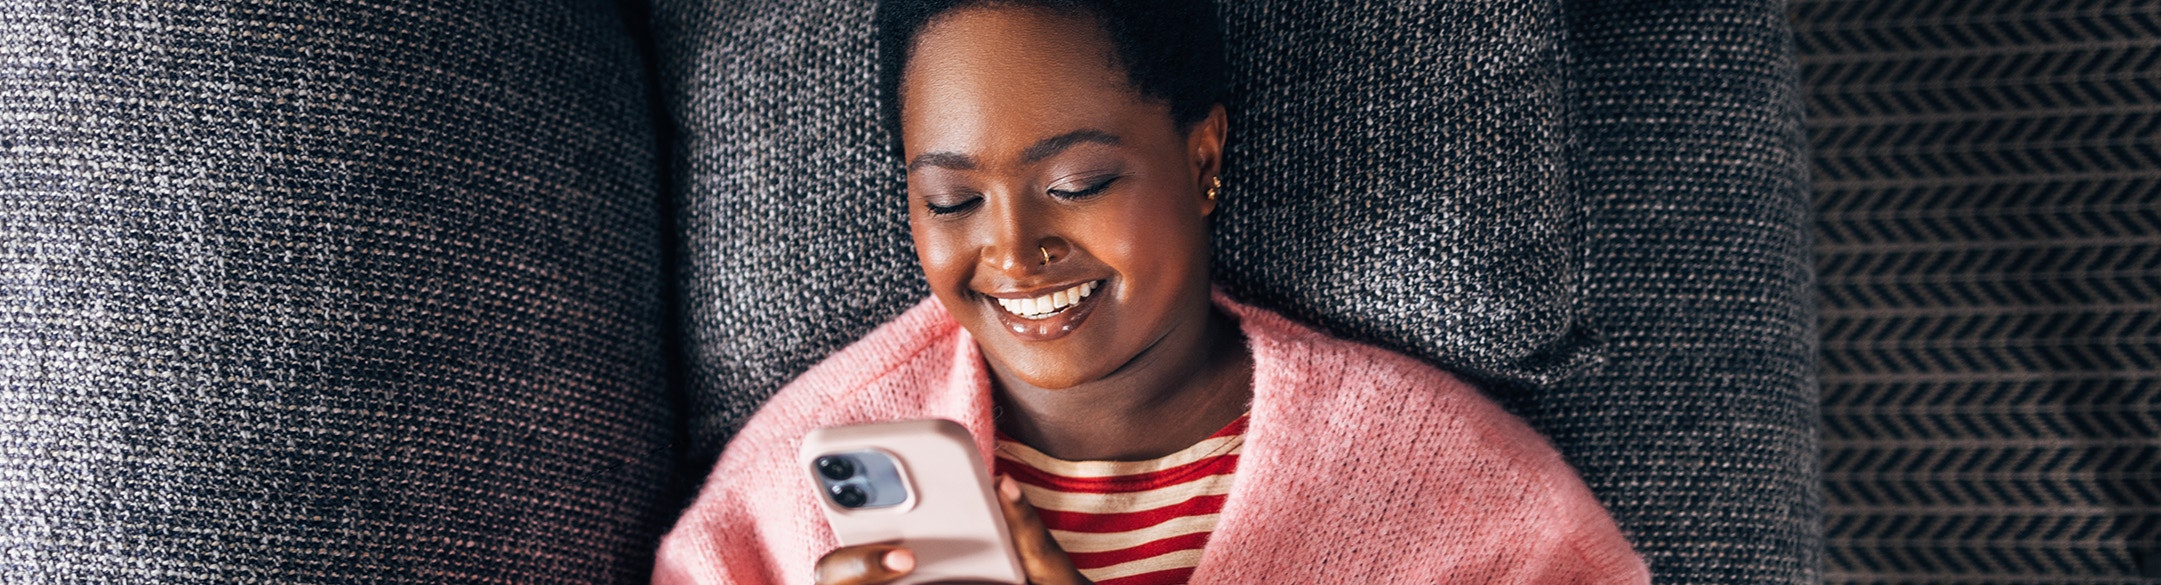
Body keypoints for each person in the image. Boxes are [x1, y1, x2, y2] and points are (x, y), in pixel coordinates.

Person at [654, 1, 1649, 583]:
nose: (1013, 249)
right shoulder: (792, 488)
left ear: (1202, 158)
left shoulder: (1449, 490)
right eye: (952, 200)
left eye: (1077, 184)